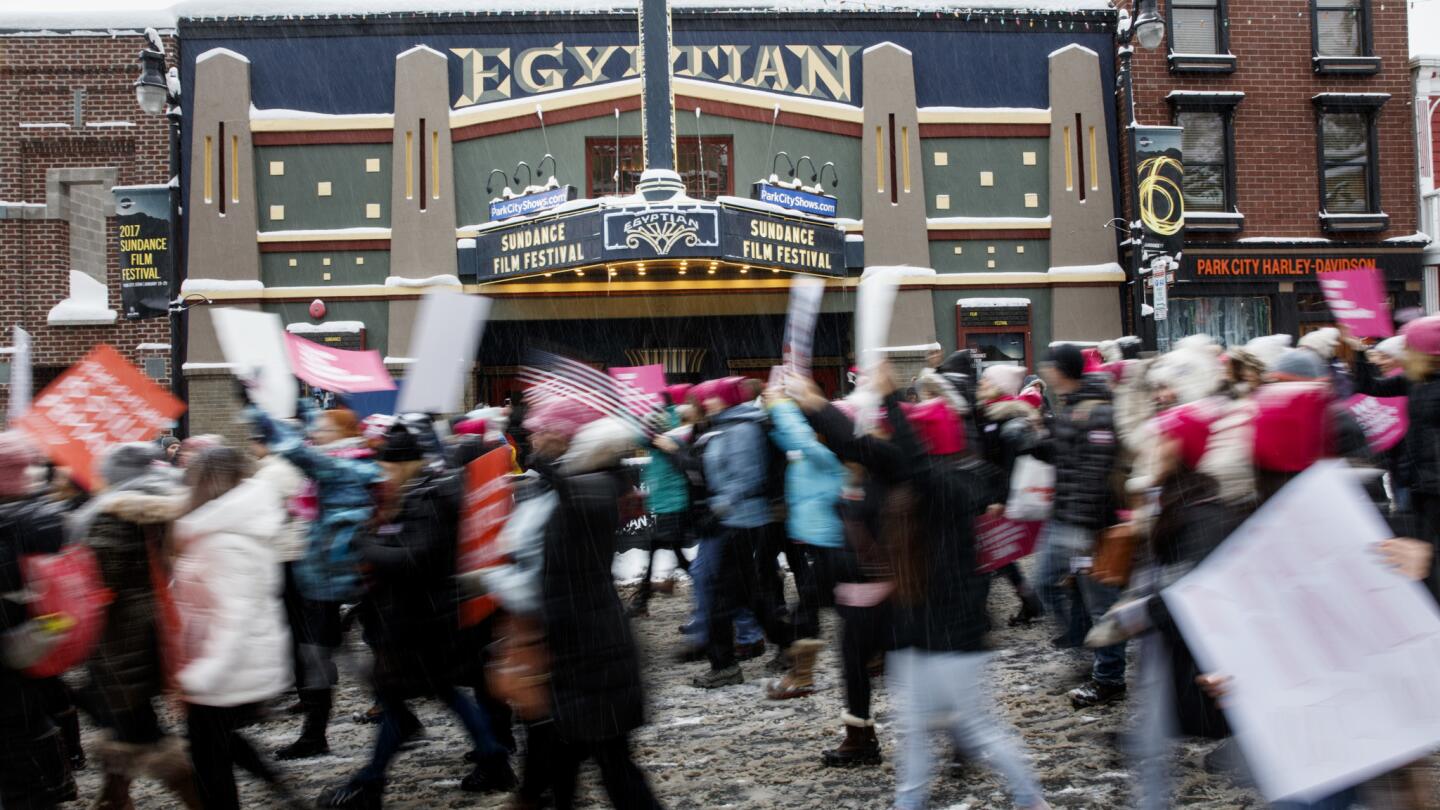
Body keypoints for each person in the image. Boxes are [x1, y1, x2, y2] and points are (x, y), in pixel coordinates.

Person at [316, 417, 513, 808]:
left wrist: (366, 547)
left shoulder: (428, 498)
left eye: (388, 465)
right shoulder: (417, 494)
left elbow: (419, 559)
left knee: (399, 699)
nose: (382, 471)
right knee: (437, 694)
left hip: (423, 621)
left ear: (403, 464)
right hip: (418, 618)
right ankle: (493, 759)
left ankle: (370, 783)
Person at [887, 382, 1050, 810]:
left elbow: (914, 464)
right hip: (925, 630)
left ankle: (1030, 797)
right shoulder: (949, 481)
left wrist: (887, 398)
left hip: (950, 633)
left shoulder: (945, 485)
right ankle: (909, 803)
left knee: (976, 728)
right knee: (918, 732)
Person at [525, 398, 663, 809]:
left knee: (610, 762)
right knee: (578, 759)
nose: (536, 434)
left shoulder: (591, 489)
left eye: (546, 429)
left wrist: (553, 462)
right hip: (580, 646)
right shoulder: (584, 485)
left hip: (589, 650)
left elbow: (574, 501)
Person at [249, 403, 384, 761]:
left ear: (341, 435)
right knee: (326, 652)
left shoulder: (343, 467)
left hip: (332, 576)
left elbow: (296, 451)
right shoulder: (348, 459)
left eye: (324, 431)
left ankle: (316, 734)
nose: (316, 435)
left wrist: (261, 409)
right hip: (329, 573)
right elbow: (310, 445)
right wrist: (305, 407)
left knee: (318, 655)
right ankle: (388, 714)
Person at [75, 442, 200, 809]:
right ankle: (114, 795)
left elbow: (105, 579)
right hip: (155, 621)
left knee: (135, 720)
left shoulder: (113, 514)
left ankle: (194, 798)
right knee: (124, 716)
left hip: (122, 634)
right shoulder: (169, 504)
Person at [172, 446, 294, 810]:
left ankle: (273, 787)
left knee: (209, 755)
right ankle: (277, 784)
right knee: (214, 744)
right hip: (223, 657)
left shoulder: (224, 539)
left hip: (225, 662)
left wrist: (206, 673)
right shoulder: (222, 529)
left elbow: (236, 615)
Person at [1031, 343, 1126, 708]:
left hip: (1089, 525)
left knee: (1102, 603)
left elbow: (1094, 472)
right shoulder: (1069, 408)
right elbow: (1062, 455)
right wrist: (1037, 439)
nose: (1046, 372)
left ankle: (1109, 678)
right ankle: (1085, 647)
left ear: (1062, 370)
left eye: (1050, 366)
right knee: (1045, 585)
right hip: (1065, 517)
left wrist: (1082, 528)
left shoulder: (1097, 411)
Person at [693, 377, 794, 688]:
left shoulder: (741, 429)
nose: (705, 402)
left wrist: (718, 508)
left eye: (711, 397)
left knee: (722, 595)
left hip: (743, 522)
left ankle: (725, 665)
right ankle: (788, 644)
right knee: (747, 594)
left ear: (725, 398)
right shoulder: (725, 426)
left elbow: (747, 477)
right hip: (735, 521)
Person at [0, 432, 78, 809]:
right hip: (42, 647)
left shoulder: (7, 529)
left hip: (12, 657)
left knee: (18, 760)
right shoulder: (50, 517)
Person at [762, 379, 845, 700]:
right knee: (820, 606)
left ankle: (802, 676)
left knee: (809, 609)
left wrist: (781, 405)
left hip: (831, 539)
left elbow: (800, 440)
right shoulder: (811, 451)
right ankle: (876, 655)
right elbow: (792, 440)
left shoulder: (823, 454)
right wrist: (774, 417)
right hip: (821, 539)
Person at [973, 364, 1045, 626]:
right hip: (991, 494)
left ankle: (980, 616)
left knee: (988, 553)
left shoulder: (1007, 420)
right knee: (999, 554)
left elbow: (1008, 466)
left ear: (998, 386)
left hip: (996, 497)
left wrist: (999, 500)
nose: (980, 385)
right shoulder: (992, 414)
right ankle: (1030, 601)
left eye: (985, 381)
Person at [628, 387, 693, 617]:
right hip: (667, 497)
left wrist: (641, 420)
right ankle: (643, 599)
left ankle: (642, 600)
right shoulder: (664, 417)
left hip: (673, 497)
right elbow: (641, 438)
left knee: (664, 548)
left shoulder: (674, 418)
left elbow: (647, 437)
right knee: (667, 548)